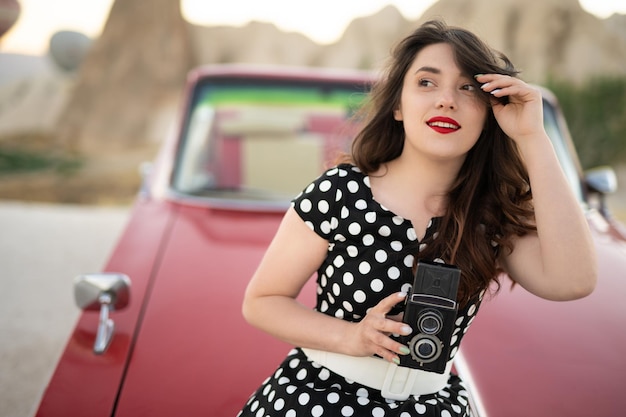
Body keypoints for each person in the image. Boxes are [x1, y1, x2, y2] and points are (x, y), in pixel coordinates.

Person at [237, 20, 597, 417]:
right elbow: (262, 301)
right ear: (397, 106)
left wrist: (532, 137)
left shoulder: (491, 212)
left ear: (490, 111)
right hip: (318, 401)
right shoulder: (340, 191)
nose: (446, 100)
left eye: (468, 88)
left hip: (435, 406)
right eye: (427, 83)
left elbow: (574, 281)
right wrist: (351, 336)